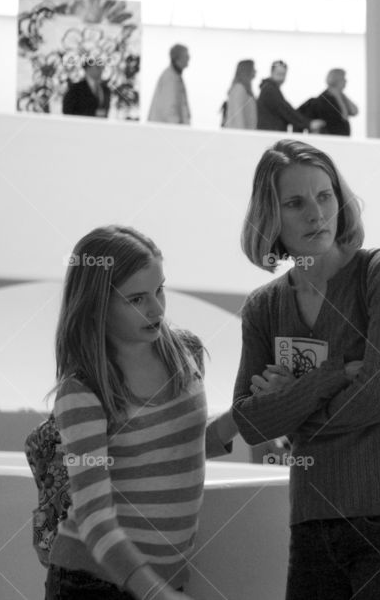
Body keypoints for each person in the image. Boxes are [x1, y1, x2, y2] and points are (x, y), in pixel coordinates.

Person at [232, 139, 380, 599]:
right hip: (311, 527)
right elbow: (248, 422)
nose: (316, 214)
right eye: (295, 203)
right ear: (271, 218)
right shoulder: (263, 308)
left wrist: (291, 409)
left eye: (325, 196)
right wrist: (330, 377)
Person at [47, 225, 238, 600]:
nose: (156, 309)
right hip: (91, 583)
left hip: (165, 580)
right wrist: (157, 593)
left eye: (160, 290)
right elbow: (95, 520)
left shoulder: (185, 353)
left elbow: (178, 451)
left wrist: (255, 409)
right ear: (97, 303)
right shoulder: (83, 391)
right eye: (136, 299)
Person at [298, 68, 358, 136]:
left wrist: (341, 94)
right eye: (343, 78)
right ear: (337, 80)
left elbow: (354, 111)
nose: (346, 81)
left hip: (342, 138)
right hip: (328, 139)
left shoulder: (341, 97)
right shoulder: (321, 100)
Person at [256, 60, 313, 133]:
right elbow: (285, 110)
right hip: (270, 135)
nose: (281, 77)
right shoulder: (270, 89)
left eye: (283, 74)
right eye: (278, 73)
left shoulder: (271, 88)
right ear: (272, 72)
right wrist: (308, 124)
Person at [147, 44, 191, 125]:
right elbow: (169, 110)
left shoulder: (175, 76)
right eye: (186, 55)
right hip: (168, 131)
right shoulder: (169, 78)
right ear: (178, 58)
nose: (189, 58)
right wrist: (179, 131)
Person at [222, 59, 257, 130]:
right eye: (253, 68)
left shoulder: (244, 89)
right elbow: (237, 115)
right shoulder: (239, 88)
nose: (255, 71)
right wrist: (242, 136)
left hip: (245, 134)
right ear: (246, 70)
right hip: (239, 135)